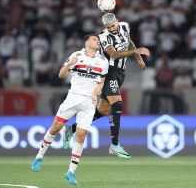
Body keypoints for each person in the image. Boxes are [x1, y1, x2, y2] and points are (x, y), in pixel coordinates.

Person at [63, 13, 150, 158]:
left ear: (117, 21)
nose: (111, 28)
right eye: (108, 27)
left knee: (103, 111)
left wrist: (138, 58)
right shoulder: (103, 36)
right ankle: (115, 144)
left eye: (113, 25)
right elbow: (114, 55)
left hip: (121, 72)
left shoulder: (124, 26)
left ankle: (71, 130)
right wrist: (135, 52)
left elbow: (129, 42)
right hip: (109, 72)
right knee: (117, 105)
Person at [31, 34, 108, 185]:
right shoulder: (76, 56)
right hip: (73, 98)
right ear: (86, 42)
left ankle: (71, 172)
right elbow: (61, 75)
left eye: (98, 40)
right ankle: (39, 157)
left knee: (81, 136)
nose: (97, 41)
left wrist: (95, 94)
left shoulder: (103, 61)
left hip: (88, 102)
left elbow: (102, 82)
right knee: (55, 127)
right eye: (94, 39)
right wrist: (68, 65)